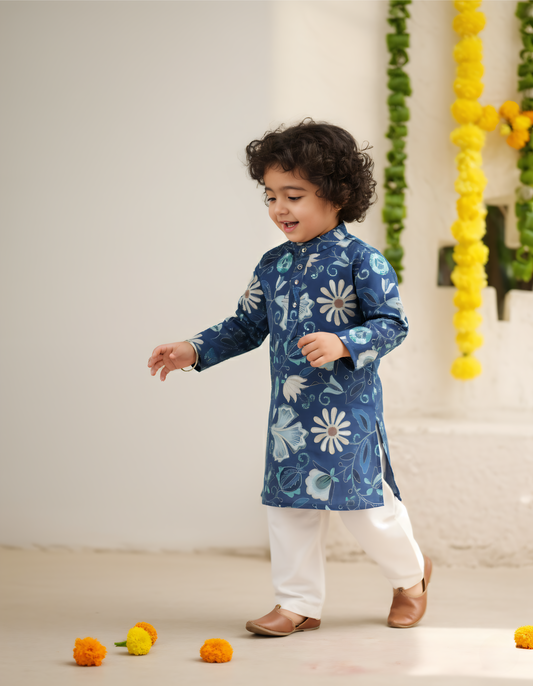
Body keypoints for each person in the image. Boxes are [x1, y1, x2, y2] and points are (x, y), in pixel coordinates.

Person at [147, 119, 431, 637]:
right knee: (288, 508)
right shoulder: (273, 264)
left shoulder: (362, 261)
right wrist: (194, 348)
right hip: (289, 417)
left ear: (337, 195)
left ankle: (410, 578)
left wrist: (344, 343)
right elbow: (245, 325)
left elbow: (393, 324)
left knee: (367, 512)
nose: (279, 208)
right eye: (271, 196)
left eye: (293, 196)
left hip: (347, 417)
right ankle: (298, 603)